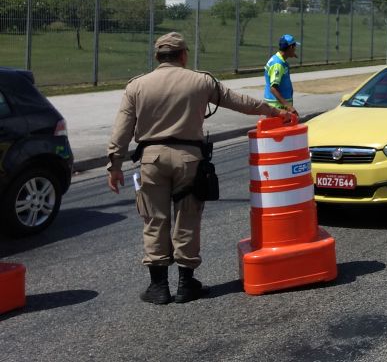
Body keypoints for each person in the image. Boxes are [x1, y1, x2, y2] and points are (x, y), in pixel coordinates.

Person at [107, 32, 289, 305]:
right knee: (187, 218)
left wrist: (114, 165)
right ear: (183, 55)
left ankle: (158, 287)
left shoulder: (137, 86)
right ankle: (185, 284)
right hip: (189, 159)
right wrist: (274, 111)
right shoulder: (201, 81)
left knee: (154, 219)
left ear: (157, 57)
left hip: (151, 160)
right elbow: (239, 101)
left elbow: (121, 130)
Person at [265, 34, 299, 113]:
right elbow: (273, 88)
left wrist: (290, 54)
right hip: (278, 106)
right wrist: (288, 106)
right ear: (291, 47)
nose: (295, 50)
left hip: (279, 104)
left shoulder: (278, 59)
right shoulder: (278, 64)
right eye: (294, 47)